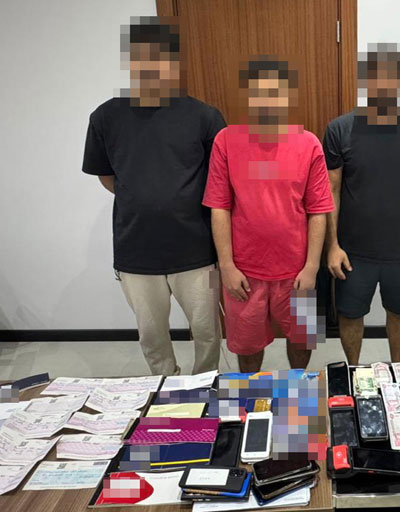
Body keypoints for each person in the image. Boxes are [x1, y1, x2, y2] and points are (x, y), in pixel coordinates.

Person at [82, 17, 225, 376]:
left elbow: (220, 181)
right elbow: (106, 175)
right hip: (136, 251)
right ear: (131, 61)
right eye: (142, 56)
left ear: (173, 62)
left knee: (208, 331)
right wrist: (146, 197)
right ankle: (165, 386)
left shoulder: (204, 116)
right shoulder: (106, 117)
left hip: (199, 251)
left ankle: (205, 383)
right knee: (151, 335)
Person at [203, 56, 334, 372]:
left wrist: (312, 267)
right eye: (259, 93)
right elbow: (220, 206)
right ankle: (252, 395)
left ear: (288, 96)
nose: (267, 101)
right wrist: (227, 265)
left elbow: (318, 210)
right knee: (246, 345)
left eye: (274, 93)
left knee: (303, 339)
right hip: (244, 271)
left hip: (298, 268)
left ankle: (297, 389)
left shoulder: (309, 144)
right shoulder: (226, 141)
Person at [323, 44, 400, 365]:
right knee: (350, 314)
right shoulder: (340, 129)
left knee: (399, 314)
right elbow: (330, 190)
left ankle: (397, 371)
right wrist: (332, 245)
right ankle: (353, 370)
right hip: (352, 249)